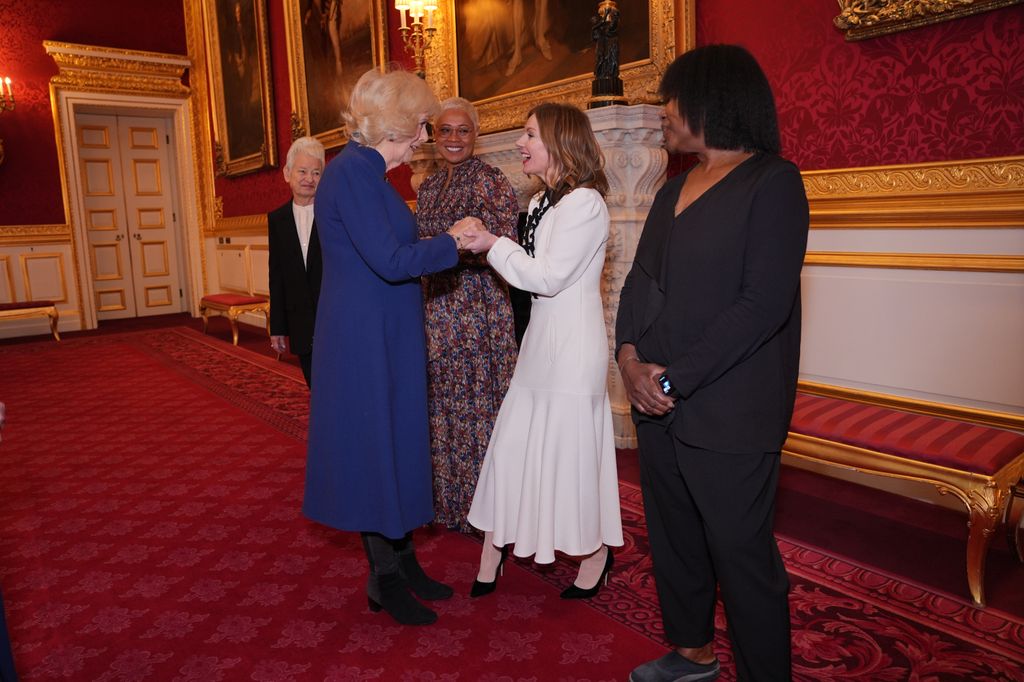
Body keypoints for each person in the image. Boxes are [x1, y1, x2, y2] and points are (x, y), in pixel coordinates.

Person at [616, 45, 809, 682]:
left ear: (715, 100)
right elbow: (640, 283)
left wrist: (673, 378)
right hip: (658, 401)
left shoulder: (774, 182)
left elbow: (763, 306)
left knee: (740, 553)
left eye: (672, 98)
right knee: (675, 539)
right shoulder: (674, 188)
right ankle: (694, 652)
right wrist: (628, 360)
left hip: (729, 407)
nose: (662, 112)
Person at [302, 68, 477, 626]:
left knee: (397, 444)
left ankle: (404, 562)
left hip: (385, 332)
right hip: (362, 339)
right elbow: (392, 262)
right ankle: (384, 579)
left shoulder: (370, 175)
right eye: (420, 126)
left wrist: (446, 242)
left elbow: (390, 255)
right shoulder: (353, 174)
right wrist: (452, 242)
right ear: (396, 126)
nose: (425, 137)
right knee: (374, 452)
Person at [461, 103, 623, 600]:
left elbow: (548, 278)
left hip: (573, 350)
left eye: (529, 134)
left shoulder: (586, 205)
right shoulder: (538, 205)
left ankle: (595, 552)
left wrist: (491, 242)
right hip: (539, 346)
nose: (519, 143)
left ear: (558, 139)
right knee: (512, 446)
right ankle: (494, 546)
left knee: (568, 456)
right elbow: (527, 279)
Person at [416, 97, 520, 533]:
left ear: (475, 135)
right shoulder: (426, 187)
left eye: (463, 130)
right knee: (443, 404)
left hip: (479, 310)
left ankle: (492, 510)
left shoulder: (491, 181)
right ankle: (451, 503)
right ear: (435, 136)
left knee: (482, 406)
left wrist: (449, 251)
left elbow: (505, 244)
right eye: (446, 130)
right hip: (437, 309)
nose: (454, 138)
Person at [268, 136, 325, 387]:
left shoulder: (332, 214)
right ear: (287, 174)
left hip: (333, 317)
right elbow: (277, 274)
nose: (309, 178)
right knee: (314, 383)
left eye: (316, 172)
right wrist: (277, 326)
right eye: (302, 171)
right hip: (300, 322)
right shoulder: (277, 220)